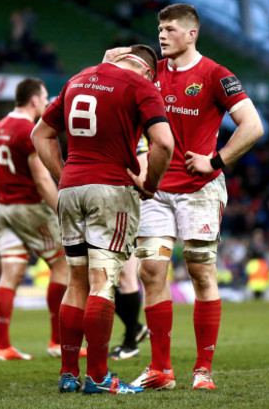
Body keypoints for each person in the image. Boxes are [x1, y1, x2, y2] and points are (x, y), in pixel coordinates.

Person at [105, 3, 264, 391]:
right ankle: (161, 369)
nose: (162, 35)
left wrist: (216, 161)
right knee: (151, 272)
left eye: (171, 29)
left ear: (192, 34)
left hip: (199, 190)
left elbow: (253, 125)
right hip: (156, 189)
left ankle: (203, 370)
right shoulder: (149, 74)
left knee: (200, 272)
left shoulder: (216, 76)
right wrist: (106, 64)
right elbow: (104, 94)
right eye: (160, 28)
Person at [31, 44, 174, 394]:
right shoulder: (142, 86)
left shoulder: (78, 79)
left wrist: (65, 174)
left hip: (71, 189)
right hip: (111, 189)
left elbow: (40, 135)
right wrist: (150, 184)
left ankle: (68, 375)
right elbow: (164, 143)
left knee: (76, 282)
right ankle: (98, 377)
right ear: (148, 70)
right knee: (102, 282)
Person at [0, 77, 71, 361]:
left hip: (2, 208)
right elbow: (42, 179)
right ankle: (57, 342)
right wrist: (63, 208)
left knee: (11, 272)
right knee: (62, 264)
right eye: (45, 97)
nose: (47, 102)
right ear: (34, 99)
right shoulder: (29, 130)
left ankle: (2, 346)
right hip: (28, 208)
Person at [109, 136, 151, 361]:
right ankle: (134, 328)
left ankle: (130, 342)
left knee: (125, 277)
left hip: (124, 208)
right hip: (102, 207)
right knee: (97, 278)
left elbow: (142, 170)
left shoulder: (134, 133)